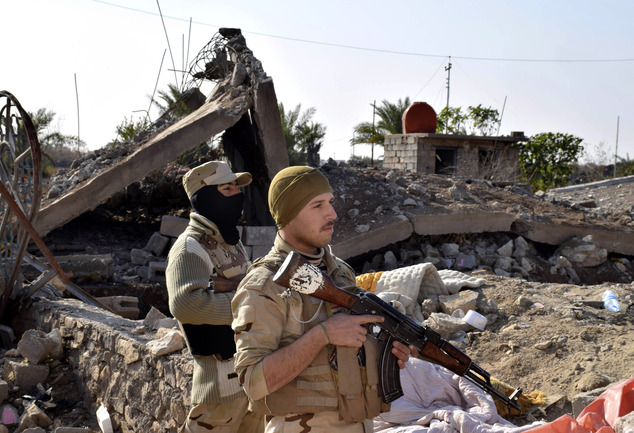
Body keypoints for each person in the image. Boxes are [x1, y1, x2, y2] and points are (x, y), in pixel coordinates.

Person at [231, 166, 415, 433]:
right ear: (288, 215)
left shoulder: (340, 272)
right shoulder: (264, 284)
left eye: (329, 202)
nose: (332, 214)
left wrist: (388, 347)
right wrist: (322, 335)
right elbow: (252, 382)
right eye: (317, 205)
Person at [166, 160, 263, 433]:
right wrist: (248, 308)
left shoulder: (231, 242)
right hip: (221, 386)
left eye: (236, 188)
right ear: (205, 196)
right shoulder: (190, 247)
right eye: (227, 188)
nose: (237, 195)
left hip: (251, 376)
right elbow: (185, 304)